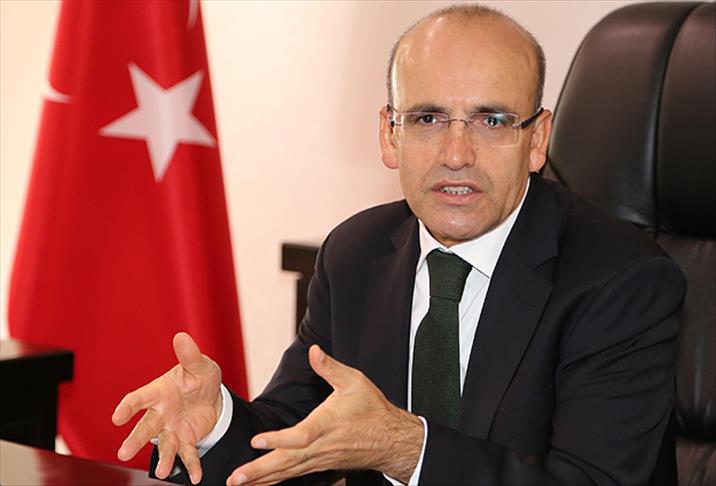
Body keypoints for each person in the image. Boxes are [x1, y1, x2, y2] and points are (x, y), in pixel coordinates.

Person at [112, 4, 686, 485]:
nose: (456, 154)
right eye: (429, 118)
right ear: (391, 135)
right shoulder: (356, 254)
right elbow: (295, 440)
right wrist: (216, 423)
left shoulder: (621, 282)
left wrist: (408, 449)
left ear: (536, 141)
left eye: (490, 121)